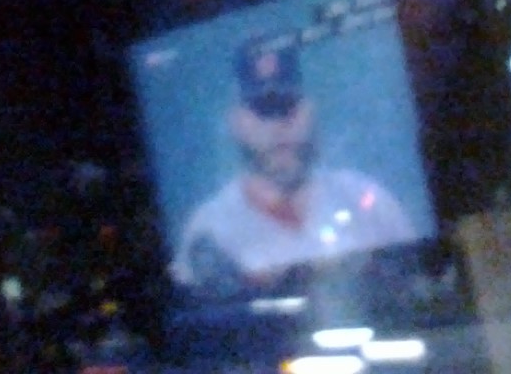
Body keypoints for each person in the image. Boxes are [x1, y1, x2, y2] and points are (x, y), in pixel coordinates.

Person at [171, 39, 417, 293]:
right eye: (262, 109)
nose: (277, 125)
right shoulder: (209, 230)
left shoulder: (367, 202)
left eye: (287, 106)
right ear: (236, 121)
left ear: (309, 110)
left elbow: (424, 287)